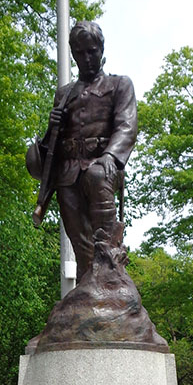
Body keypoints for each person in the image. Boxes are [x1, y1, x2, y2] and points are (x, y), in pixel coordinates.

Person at [27, 21, 137, 281]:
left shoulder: (119, 85)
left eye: (92, 51)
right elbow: (52, 146)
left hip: (102, 170)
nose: (87, 58)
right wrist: (53, 127)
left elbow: (126, 127)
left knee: (105, 242)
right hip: (68, 173)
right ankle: (88, 294)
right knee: (82, 247)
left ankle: (112, 284)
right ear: (73, 54)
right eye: (80, 52)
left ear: (101, 49)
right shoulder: (64, 94)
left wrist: (110, 157)